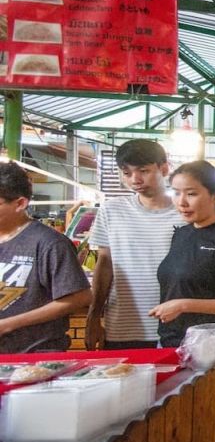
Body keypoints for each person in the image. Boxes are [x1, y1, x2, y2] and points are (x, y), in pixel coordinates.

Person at [149, 160, 215, 361]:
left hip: (213, 348)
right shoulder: (181, 234)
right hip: (169, 341)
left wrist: (183, 305)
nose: (182, 202)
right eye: (176, 192)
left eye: (191, 193)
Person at [87, 140, 184, 350]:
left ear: (164, 168)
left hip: (177, 326)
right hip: (123, 326)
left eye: (144, 171)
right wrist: (94, 315)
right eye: (127, 172)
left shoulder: (186, 213)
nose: (135, 179)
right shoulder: (111, 210)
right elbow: (105, 264)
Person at [0, 163, 91, 353]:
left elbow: (79, 297)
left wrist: (9, 324)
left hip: (35, 356)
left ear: (20, 204)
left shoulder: (49, 243)